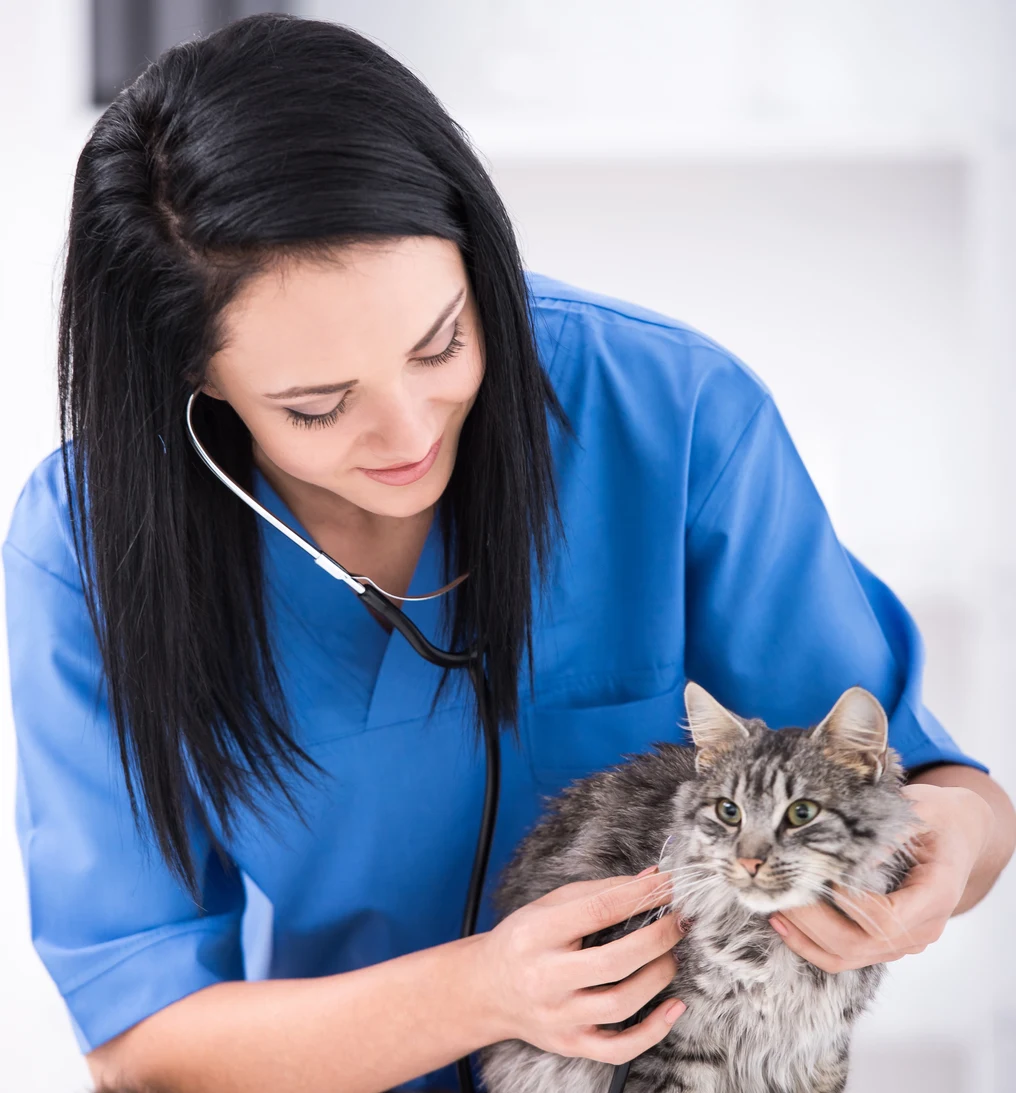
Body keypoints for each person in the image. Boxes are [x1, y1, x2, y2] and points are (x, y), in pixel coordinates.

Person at [4, 13, 1013, 1093]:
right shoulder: (89, 547)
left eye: (441, 342)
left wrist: (946, 850)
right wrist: (483, 992)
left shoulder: (671, 411)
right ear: (196, 377)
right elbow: (141, 1039)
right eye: (316, 405)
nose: (408, 433)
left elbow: (952, 798)